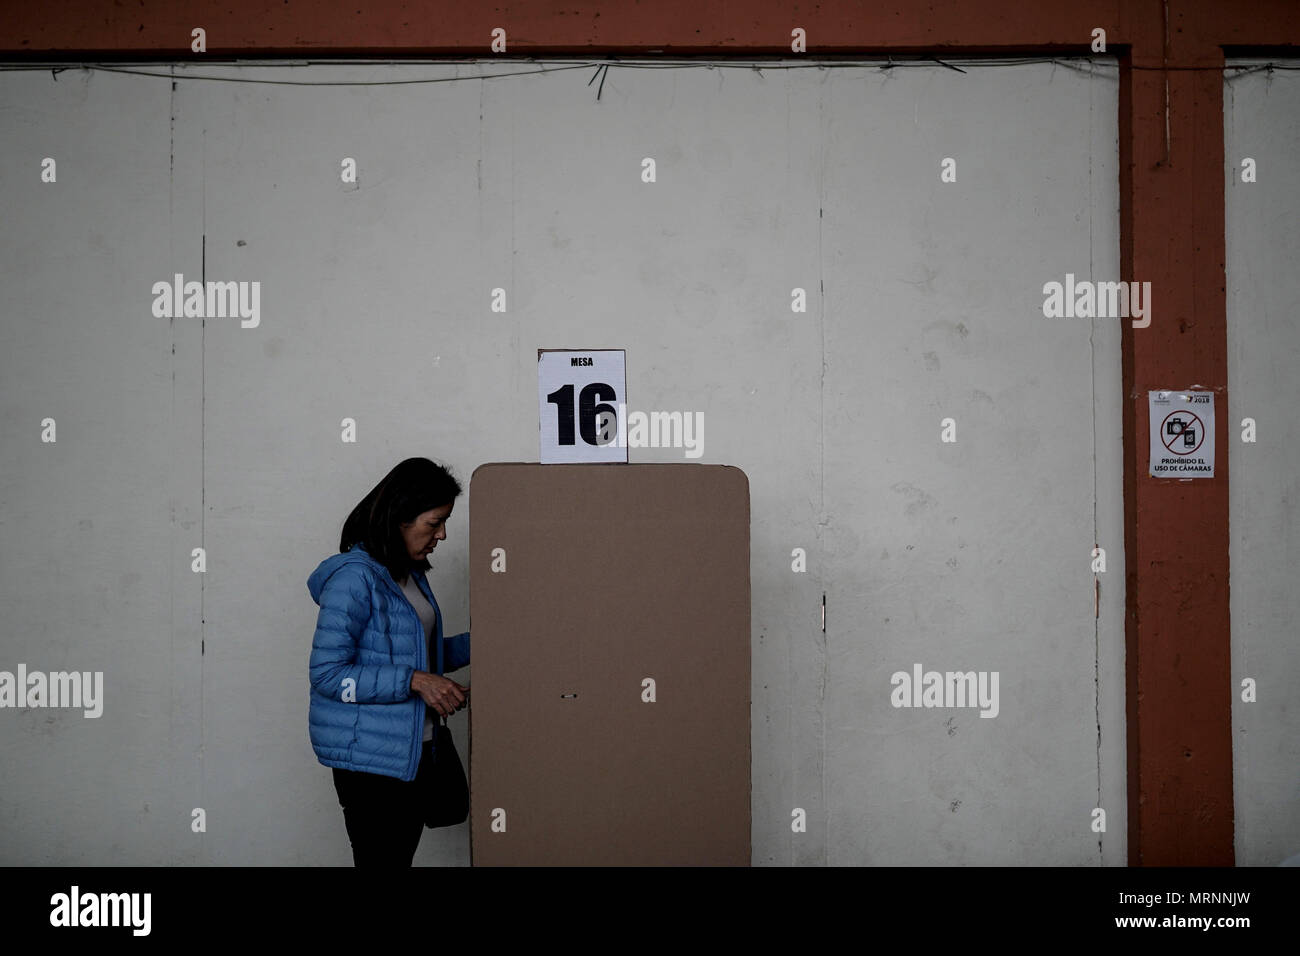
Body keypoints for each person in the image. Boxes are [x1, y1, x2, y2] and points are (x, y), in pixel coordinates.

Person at [306, 457, 471, 866]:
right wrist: (416, 681)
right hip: (371, 762)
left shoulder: (409, 574)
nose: (443, 535)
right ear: (400, 517)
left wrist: (491, 644)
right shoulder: (354, 579)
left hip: (414, 750)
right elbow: (328, 674)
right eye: (434, 523)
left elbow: (421, 656)